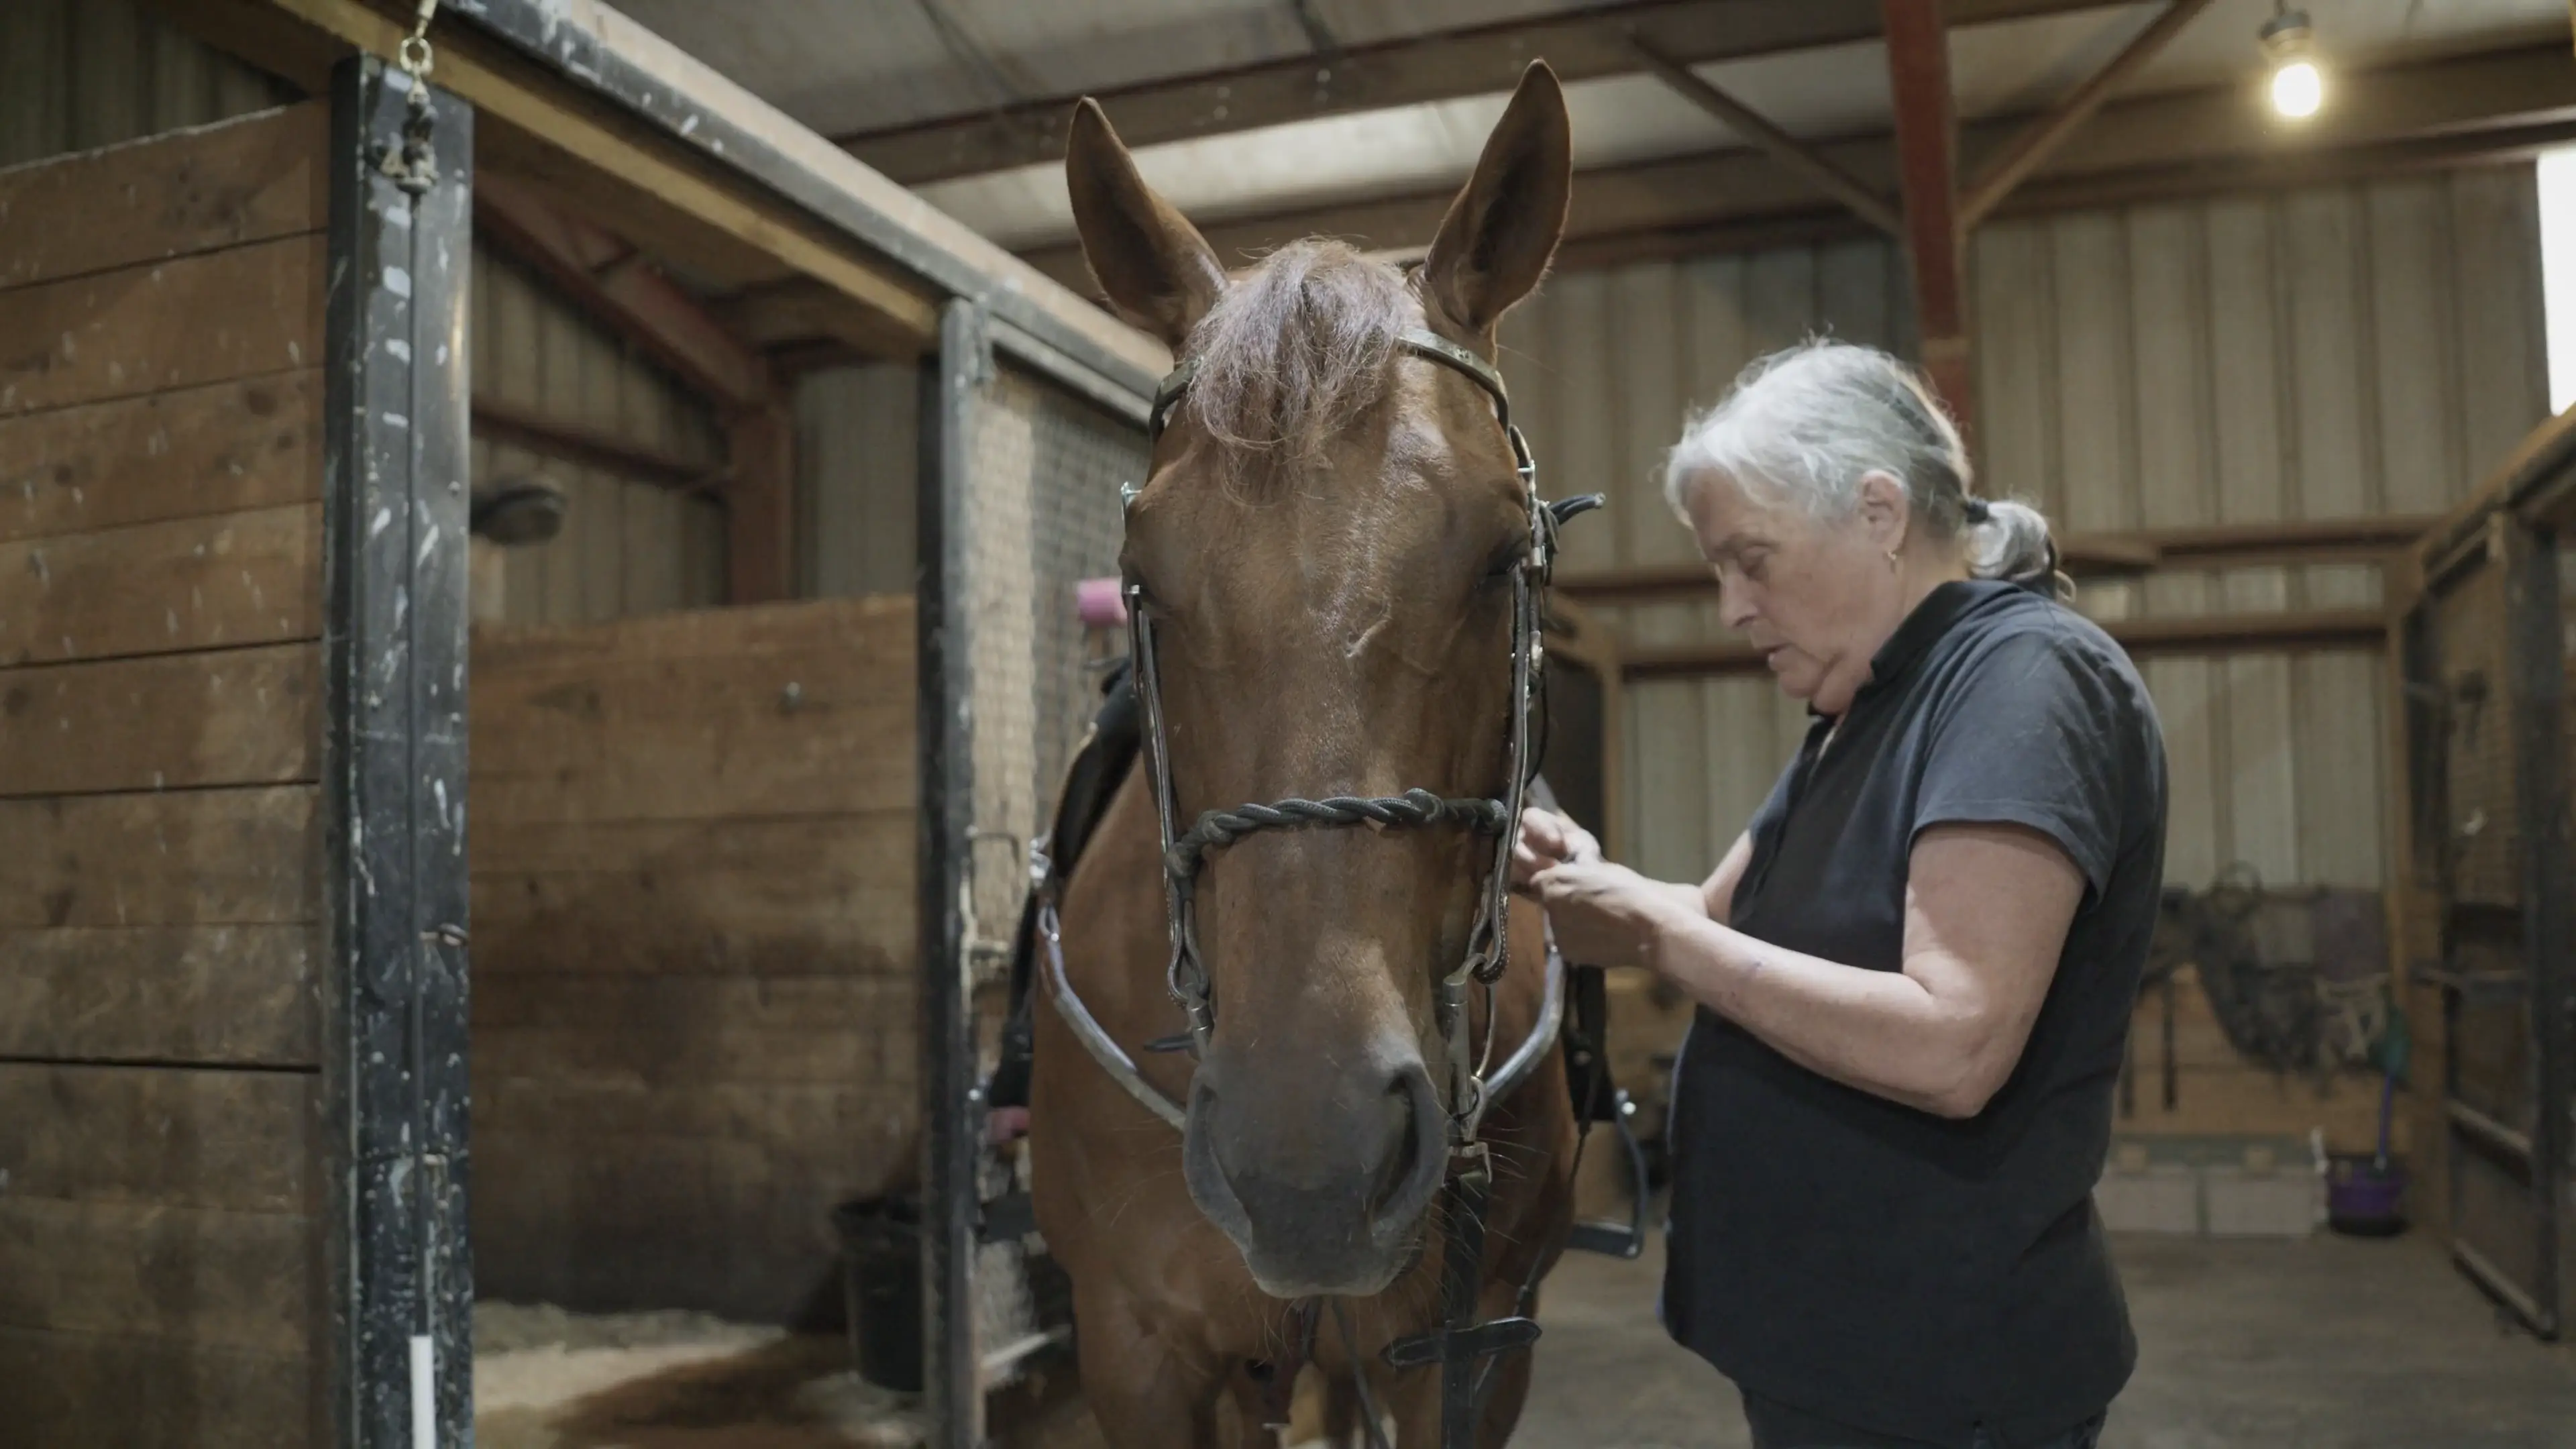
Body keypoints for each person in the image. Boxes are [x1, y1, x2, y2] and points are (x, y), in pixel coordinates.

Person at [1517, 341, 2167, 1449]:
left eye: (1752, 559)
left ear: (1878, 512)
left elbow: (1951, 1046)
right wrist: (1598, 878)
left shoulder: (2020, 686)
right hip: (1841, 1352)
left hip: (1939, 1372)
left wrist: (1650, 930)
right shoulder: (1860, 714)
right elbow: (1712, 922)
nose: (1731, 607)